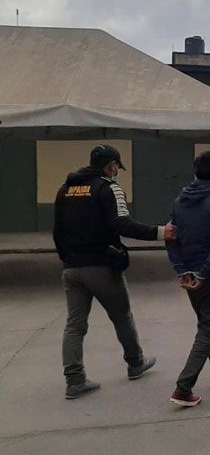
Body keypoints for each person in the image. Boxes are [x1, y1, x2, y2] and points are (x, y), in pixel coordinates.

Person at [53, 145, 176, 399]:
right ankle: (135, 363)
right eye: (117, 167)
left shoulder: (64, 189)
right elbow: (121, 223)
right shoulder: (108, 188)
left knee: (74, 326)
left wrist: (68, 258)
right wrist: (161, 232)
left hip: (72, 269)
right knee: (122, 316)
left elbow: (57, 231)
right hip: (102, 267)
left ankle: (74, 380)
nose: (117, 172)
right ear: (111, 166)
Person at [166, 151, 210, 407]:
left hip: (190, 276)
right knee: (208, 328)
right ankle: (183, 388)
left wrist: (182, 270)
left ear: (196, 171)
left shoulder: (180, 200)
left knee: (209, 323)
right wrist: (205, 273)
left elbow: (170, 236)